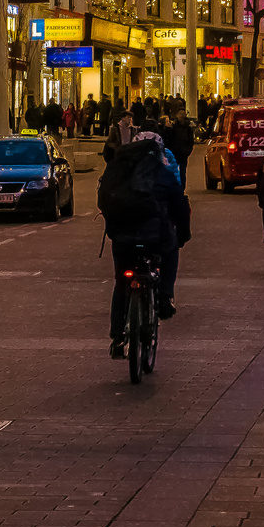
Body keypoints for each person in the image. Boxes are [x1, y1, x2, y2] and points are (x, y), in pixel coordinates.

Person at [99, 130, 185, 357]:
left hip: (123, 239)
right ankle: (165, 297)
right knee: (171, 250)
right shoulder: (163, 174)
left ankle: (117, 338)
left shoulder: (117, 172)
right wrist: (183, 235)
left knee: (121, 283)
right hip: (156, 239)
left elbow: (104, 201)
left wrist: (113, 228)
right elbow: (180, 206)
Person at [164, 108, 196, 186]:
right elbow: (169, 139)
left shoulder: (188, 128)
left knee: (182, 172)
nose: (181, 115)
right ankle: (175, 189)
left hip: (183, 153)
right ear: (177, 116)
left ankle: (181, 190)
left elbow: (191, 141)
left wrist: (187, 151)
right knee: (174, 172)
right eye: (180, 113)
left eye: (183, 113)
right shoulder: (173, 127)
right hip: (174, 152)